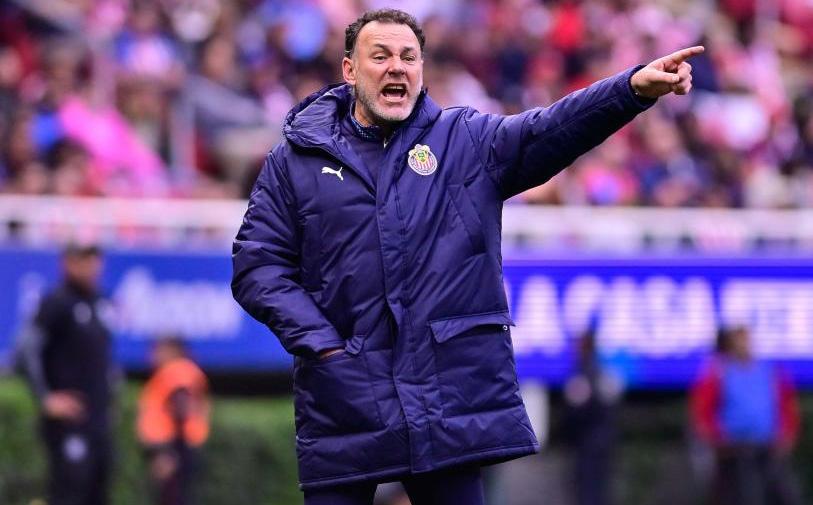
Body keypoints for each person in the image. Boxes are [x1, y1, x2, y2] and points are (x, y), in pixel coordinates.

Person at [231, 8, 702, 504]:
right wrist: (325, 347)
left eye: (409, 57)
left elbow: (550, 129)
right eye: (381, 56)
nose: (397, 67)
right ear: (350, 69)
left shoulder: (464, 141)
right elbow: (257, 266)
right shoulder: (295, 160)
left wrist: (630, 90)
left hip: (446, 406)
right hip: (344, 399)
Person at [17, 244, 114, 505]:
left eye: (95, 259)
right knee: (69, 493)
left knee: (98, 494)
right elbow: (25, 350)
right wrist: (46, 397)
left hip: (98, 422)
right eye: (84, 259)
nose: (92, 266)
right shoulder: (56, 302)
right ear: (68, 263)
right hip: (70, 423)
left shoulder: (100, 303)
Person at [690, 326, 801, 505]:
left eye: (747, 341)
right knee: (741, 497)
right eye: (738, 342)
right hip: (733, 450)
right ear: (730, 346)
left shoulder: (769, 371)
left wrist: (788, 434)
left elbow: (786, 404)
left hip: (768, 447)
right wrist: (714, 439)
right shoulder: (719, 372)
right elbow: (703, 410)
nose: (744, 346)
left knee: (783, 496)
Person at [137, 337, 210, 505]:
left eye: (157, 350)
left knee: (173, 497)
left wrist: (168, 452)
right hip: (177, 446)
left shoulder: (177, 371)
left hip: (174, 446)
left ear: (173, 350)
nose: (151, 356)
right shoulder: (177, 372)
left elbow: (181, 406)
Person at [563, 329, 623, 505]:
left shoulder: (584, 373)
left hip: (588, 443)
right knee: (600, 488)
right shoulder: (603, 371)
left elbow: (579, 411)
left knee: (589, 490)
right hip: (603, 440)